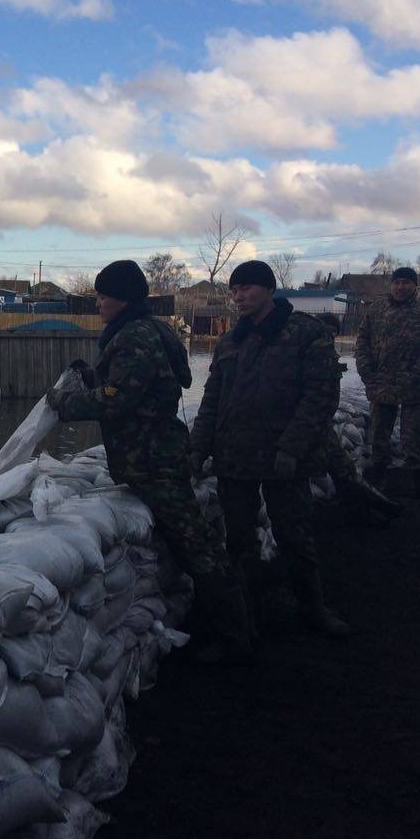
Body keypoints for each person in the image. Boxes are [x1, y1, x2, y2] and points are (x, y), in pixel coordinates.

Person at [47, 259, 255, 663]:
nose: (97, 304)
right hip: (153, 455)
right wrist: (93, 378)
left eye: (102, 296)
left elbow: (121, 399)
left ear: (122, 298)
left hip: (154, 460)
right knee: (186, 542)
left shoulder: (134, 336)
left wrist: (68, 403)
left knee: (199, 546)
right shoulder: (149, 329)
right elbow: (135, 385)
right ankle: (225, 624)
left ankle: (236, 638)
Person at [190, 260, 350, 638]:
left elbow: (320, 397)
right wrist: (198, 448)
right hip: (235, 456)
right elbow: (212, 399)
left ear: (269, 290)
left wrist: (292, 449)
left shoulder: (306, 335)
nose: (239, 296)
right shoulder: (232, 340)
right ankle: (246, 615)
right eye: (234, 290)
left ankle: (313, 609)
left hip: (283, 457)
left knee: (294, 535)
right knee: (238, 539)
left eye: (246, 288)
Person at [355, 266, 420, 499]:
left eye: (406, 283)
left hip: (415, 384)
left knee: (414, 435)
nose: (401, 287)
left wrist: (419, 368)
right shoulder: (376, 309)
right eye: (397, 282)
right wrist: (366, 372)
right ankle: (380, 477)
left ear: (415, 286)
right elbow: (363, 341)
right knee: (379, 433)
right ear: (391, 285)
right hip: (382, 382)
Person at [318, 314, 404, 526]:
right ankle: (372, 505)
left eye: (332, 332)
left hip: (316, 423)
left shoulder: (325, 355)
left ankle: (373, 506)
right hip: (313, 421)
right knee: (341, 468)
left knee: (341, 468)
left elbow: (327, 397)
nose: (328, 335)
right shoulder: (312, 353)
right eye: (324, 330)